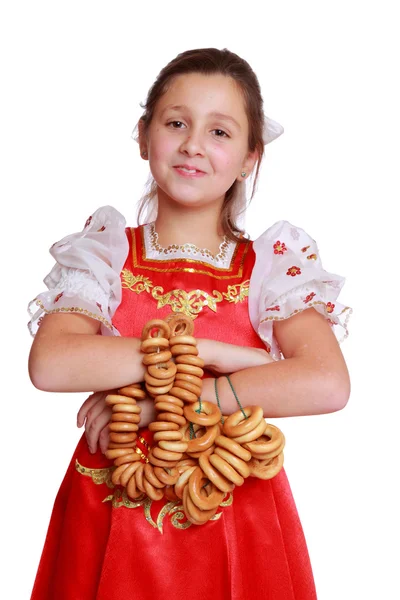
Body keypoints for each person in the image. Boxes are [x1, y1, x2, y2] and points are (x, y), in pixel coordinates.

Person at [27, 47, 351, 600]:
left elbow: (328, 382)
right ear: (143, 134)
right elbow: (52, 363)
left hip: (236, 508)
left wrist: (166, 398)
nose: (194, 145)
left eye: (220, 132)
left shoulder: (271, 266)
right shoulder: (106, 255)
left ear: (251, 157)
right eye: (176, 122)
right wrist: (225, 354)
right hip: (110, 502)